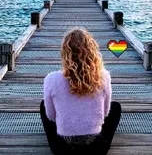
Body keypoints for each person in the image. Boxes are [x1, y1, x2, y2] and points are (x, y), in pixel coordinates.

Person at [40, 27, 121, 155]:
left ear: (65, 53)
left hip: (62, 148)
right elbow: (105, 113)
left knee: (43, 105)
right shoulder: (103, 77)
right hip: (96, 148)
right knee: (116, 107)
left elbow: (51, 116)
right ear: (92, 52)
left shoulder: (51, 79)